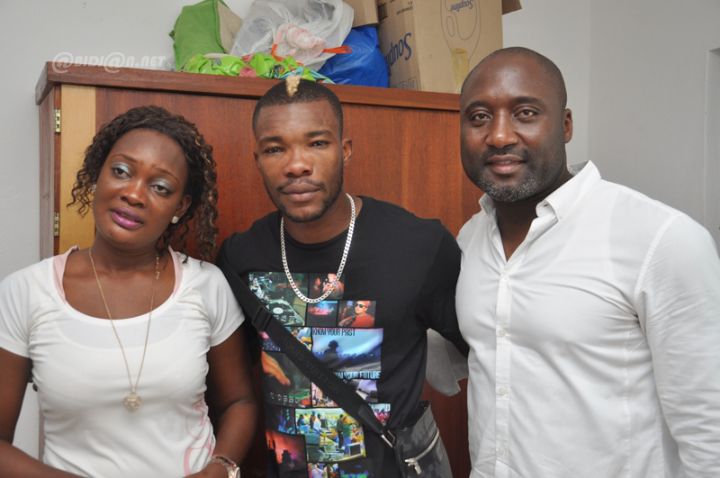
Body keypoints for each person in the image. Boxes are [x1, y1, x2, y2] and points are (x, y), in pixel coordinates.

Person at [456, 46, 720, 477]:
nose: (499, 135)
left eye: (525, 113)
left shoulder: (661, 240)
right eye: (479, 117)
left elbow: (710, 431)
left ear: (565, 125)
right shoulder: (470, 240)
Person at [217, 78, 466, 477]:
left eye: (317, 143)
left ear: (345, 150)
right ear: (258, 159)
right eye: (275, 149)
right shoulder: (241, 257)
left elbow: (490, 356)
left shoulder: (419, 245)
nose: (297, 165)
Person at [0, 105, 257, 477]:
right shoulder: (25, 292)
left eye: (160, 187)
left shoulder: (206, 285)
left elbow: (239, 401)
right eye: (121, 171)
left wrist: (220, 467)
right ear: (97, 175)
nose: (134, 194)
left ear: (180, 206)